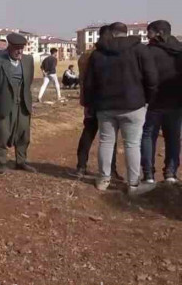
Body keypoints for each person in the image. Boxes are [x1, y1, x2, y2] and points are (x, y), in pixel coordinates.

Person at [83, 22, 158, 195]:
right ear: (126, 32)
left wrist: (89, 105)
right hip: (134, 105)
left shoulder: (98, 53)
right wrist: (148, 100)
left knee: (106, 142)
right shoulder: (140, 50)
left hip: (105, 106)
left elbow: (89, 83)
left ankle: (103, 180)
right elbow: (151, 78)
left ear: (111, 33)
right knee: (132, 144)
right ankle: (133, 185)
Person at [0, 33, 36, 174]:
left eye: (22, 48)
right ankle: (1, 163)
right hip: (4, 104)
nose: (20, 51)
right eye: (17, 48)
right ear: (9, 47)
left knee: (23, 134)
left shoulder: (28, 60)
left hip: (23, 104)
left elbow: (29, 81)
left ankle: (21, 161)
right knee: (3, 134)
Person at [140, 20, 181, 185]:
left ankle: (149, 175)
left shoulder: (148, 51)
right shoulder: (180, 50)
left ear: (159, 33)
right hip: (176, 103)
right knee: (173, 138)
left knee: (149, 136)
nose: (147, 35)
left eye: (149, 32)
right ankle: (170, 174)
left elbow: (143, 77)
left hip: (153, 103)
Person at [73, 25, 117, 178]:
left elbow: (82, 80)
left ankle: (81, 166)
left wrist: (84, 102)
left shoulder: (85, 55)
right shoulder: (107, 54)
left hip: (90, 100)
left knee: (88, 133)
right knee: (109, 137)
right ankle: (110, 169)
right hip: (106, 101)